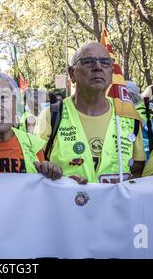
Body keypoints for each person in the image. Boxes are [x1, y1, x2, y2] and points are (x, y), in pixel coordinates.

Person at [34, 42, 146, 183]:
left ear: (111, 73)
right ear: (72, 73)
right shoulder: (51, 115)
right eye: (88, 62)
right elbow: (35, 166)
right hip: (66, 203)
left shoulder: (129, 116)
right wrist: (54, 174)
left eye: (105, 62)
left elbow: (138, 171)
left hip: (116, 205)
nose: (98, 67)